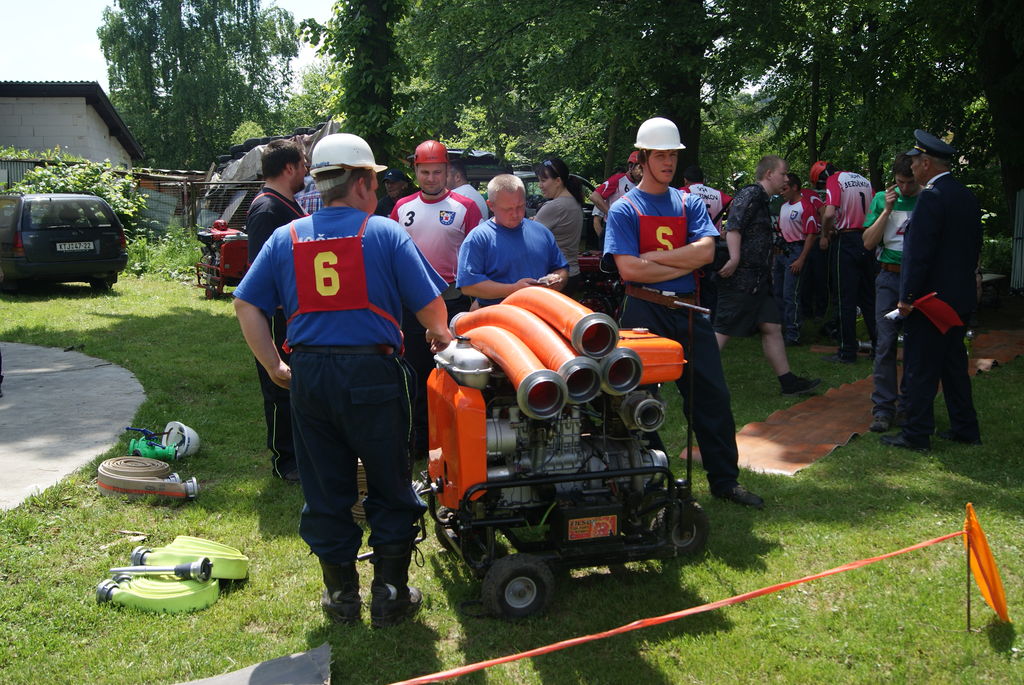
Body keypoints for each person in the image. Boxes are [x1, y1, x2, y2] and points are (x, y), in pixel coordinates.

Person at [233, 132, 453, 627]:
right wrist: (440, 334)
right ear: (361, 183)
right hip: (373, 373)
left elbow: (246, 303)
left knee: (325, 486)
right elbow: (432, 308)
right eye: (373, 180)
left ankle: (340, 598)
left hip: (310, 377)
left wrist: (274, 366)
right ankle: (391, 594)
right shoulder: (385, 233)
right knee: (390, 482)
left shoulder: (287, 237)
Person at [604, 116, 763, 509]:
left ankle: (725, 482)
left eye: (672, 155)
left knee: (712, 397)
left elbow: (706, 252)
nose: (668, 162)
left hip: (688, 309)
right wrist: (680, 261)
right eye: (660, 155)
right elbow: (629, 270)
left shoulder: (689, 202)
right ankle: (650, 478)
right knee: (637, 400)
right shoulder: (624, 208)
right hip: (644, 310)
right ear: (642, 158)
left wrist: (655, 258)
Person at [881, 130, 982, 451]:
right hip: (959, 297)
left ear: (926, 164)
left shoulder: (932, 197)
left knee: (920, 367)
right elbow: (973, 248)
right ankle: (965, 428)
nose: (911, 167)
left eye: (914, 162)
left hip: (930, 301)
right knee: (953, 366)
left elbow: (918, 255)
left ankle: (916, 433)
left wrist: (906, 298)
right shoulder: (965, 195)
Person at [391, 140, 483, 460]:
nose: (430, 178)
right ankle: (419, 441)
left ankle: (457, 438)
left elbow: (476, 257)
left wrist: (475, 298)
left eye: (436, 172)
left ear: (447, 171)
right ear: (416, 171)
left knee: (454, 371)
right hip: (412, 303)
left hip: (453, 300)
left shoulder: (466, 207)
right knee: (415, 372)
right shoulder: (401, 208)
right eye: (424, 172)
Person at [714, 156, 820, 396]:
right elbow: (733, 227)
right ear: (769, 174)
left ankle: (788, 383)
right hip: (742, 279)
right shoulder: (750, 194)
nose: (786, 178)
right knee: (723, 329)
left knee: (771, 327)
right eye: (783, 173)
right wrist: (734, 259)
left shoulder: (763, 200)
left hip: (759, 280)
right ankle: (696, 379)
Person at [244, 139, 308, 482]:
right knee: (280, 383)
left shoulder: (287, 204)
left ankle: (303, 452)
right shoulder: (268, 209)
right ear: (289, 168)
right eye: (303, 164)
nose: (306, 171)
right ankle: (286, 461)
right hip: (275, 315)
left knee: (297, 385)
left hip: (294, 314)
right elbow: (260, 272)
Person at [863, 154, 920, 433]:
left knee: (916, 345)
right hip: (889, 277)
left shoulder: (928, 198)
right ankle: (884, 408)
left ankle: (910, 406)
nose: (905, 189)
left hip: (919, 280)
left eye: (911, 183)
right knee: (885, 343)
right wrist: (886, 211)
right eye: (900, 182)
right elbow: (867, 243)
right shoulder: (881, 200)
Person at [457, 174, 568, 307]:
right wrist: (513, 289)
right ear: (491, 205)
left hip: (540, 312)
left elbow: (561, 269)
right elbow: (468, 286)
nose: (515, 214)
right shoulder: (478, 238)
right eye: (507, 209)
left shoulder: (541, 231)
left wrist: (558, 279)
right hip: (499, 315)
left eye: (520, 206)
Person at [814, 160, 876, 363]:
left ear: (823, 178)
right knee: (869, 298)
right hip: (867, 240)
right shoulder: (864, 180)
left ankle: (847, 351)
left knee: (844, 298)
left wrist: (825, 233)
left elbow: (829, 213)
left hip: (846, 240)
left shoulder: (835, 180)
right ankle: (879, 347)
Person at [774, 172, 821, 345]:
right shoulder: (783, 206)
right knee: (778, 292)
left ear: (794, 187)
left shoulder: (805, 206)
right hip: (783, 251)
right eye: (781, 189)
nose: (782, 192)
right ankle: (780, 329)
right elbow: (780, 229)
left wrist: (801, 259)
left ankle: (793, 334)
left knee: (790, 293)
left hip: (796, 250)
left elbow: (811, 235)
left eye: (785, 189)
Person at [534, 157, 584, 294]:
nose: (540, 185)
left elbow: (528, 238)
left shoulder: (555, 206)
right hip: (572, 273)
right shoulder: (574, 202)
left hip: (555, 278)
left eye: (543, 180)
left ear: (558, 181)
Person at [590, 151, 642, 240]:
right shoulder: (618, 179)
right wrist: (612, 214)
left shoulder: (640, 184)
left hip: (629, 229)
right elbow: (594, 196)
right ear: (631, 167)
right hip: (613, 228)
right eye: (640, 168)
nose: (642, 173)